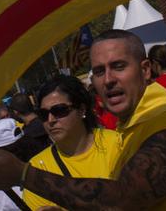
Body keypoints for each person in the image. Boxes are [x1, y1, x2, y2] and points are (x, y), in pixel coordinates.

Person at [0, 29, 166, 210]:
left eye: (118, 66)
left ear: (146, 69)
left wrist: (23, 174)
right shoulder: (130, 128)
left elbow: (124, 201)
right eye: (98, 71)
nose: (108, 79)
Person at [23, 75, 119, 210]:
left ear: (81, 110)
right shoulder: (37, 169)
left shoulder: (118, 143)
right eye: (43, 114)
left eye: (59, 110)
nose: (51, 120)